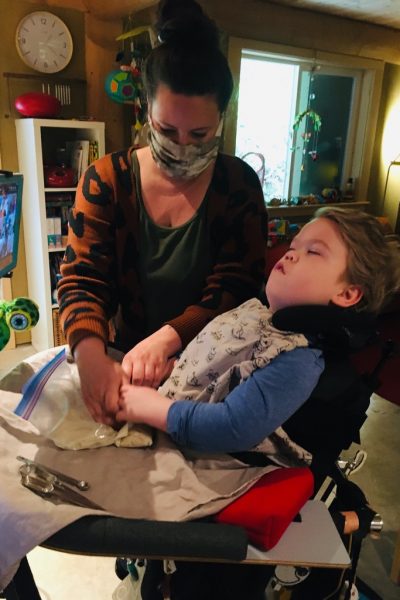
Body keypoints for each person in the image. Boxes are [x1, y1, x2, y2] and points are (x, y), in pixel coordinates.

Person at [57, 0, 268, 427]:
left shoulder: (238, 185)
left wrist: (168, 339)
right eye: (167, 131)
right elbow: (83, 279)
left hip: (213, 375)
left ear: (222, 120)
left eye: (200, 134)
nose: (184, 146)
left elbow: (236, 286)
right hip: (126, 366)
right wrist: (90, 355)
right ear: (145, 110)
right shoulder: (107, 181)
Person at [115, 207, 400, 458]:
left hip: (206, 459)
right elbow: (216, 367)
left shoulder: (296, 358)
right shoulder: (254, 313)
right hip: (162, 410)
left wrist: (153, 409)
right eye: (294, 246)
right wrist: (172, 370)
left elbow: (233, 427)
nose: (291, 254)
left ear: (347, 293)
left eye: (313, 251)